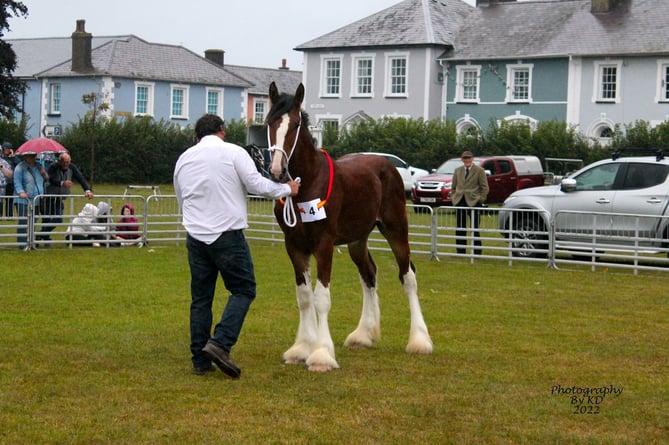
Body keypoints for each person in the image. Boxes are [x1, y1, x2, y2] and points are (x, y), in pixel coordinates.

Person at [173, 114, 300, 377]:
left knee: (201, 298)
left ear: (197, 135)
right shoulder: (233, 152)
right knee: (243, 289)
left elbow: (180, 196)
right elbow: (256, 185)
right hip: (227, 233)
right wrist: (287, 189)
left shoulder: (184, 158)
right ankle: (220, 343)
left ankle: (200, 359)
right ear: (222, 130)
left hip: (195, 235)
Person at [41, 152, 94, 244]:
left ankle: (39, 235)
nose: (66, 164)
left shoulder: (72, 167)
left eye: (68, 162)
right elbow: (49, 179)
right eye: (64, 162)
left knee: (58, 219)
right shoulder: (53, 167)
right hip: (49, 196)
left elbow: (80, 178)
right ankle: (45, 237)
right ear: (59, 161)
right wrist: (62, 183)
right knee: (47, 219)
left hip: (60, 197)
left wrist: (87, 190)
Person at [450, 150, 489, 255]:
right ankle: (461, 251)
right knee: (460, 227)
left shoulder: (479, 170)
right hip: (460, 201)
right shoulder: (458, 170)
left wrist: (480, 199)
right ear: (462, 160)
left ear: (472, 159)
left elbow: (484, 187)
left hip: (474, 202)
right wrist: (454, 197)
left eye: (469, 158)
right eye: (465, 158)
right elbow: (453, 187)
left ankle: (476, 251)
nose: (467, 160)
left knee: (474, 228)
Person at [13, 153, 48, 250]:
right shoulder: (20, 167)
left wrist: (44, 173)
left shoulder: (39, 166)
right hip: (23, 200)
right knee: (24, 221)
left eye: (34, 155)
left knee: (34, 221)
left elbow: (46, 179)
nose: (33, 157)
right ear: (26, 156)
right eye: (31, 155)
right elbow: (17, 181)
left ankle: (31, 243)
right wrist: (21, 192)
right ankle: (22, 244)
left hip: (36, 199)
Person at [1, 142, 18, 217]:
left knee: (10, 200)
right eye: (6, 148)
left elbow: (19, 164)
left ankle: (9, 215)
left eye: (9, 148)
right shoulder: (1, 159)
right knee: (1, 199)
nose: (7, 150)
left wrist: (13, 156)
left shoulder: (12, 159)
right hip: (2, 181)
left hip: (10, 182)